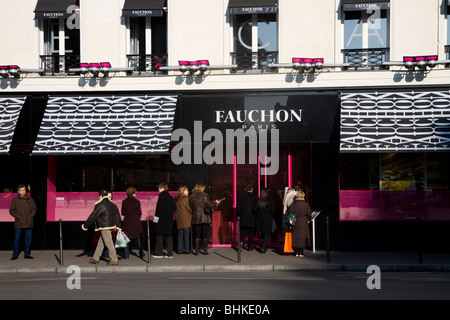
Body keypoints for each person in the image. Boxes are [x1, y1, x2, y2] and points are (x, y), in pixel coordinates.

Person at [82, 189, 122, 265]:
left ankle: (114, 259)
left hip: (104, 226)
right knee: (101, 242)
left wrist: (85, 225)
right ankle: (96, 258)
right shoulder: (113, 204)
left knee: (108, 242)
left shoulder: (100, 205)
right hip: (110, 226)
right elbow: (117, 216)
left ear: (100, 196)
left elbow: (93, 216)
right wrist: (119, 226)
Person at [9, 184, 37, 260]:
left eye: (24, 189)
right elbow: (11, 210)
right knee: (16, 239)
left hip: (29, 222)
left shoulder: (30, 199)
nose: (23, 191)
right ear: (18, 191)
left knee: (28, 239)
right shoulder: (15, 200)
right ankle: (15, 255)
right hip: (19, 223)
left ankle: (27, 254)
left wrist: (31, 216)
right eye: (21, 190)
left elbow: (34, 208)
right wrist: (18, 217)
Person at [189, 183, 218, 255]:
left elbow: (191, 207)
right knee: (205, 235)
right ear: (202, 188)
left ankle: (196, 251)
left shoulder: (192, 197)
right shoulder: (204, 195)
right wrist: (215, 203)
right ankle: (205, 250)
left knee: (197, 235)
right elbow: (210, 204)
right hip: (205, 217)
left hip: (196, 217)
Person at [153, 182, 176, 258]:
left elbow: (158, 209)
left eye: (159, 188)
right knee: (169, 236)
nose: (158, 190)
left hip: (162, 219)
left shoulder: (161, 196)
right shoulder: (170, 197)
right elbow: (174, 208)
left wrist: (155, 219)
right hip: (169, 219)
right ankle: (170, 254)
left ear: (162, 188)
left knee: (159, 236)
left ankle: (159, 253)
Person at [121, 187, 144, 259]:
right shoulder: (137, 202)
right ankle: (141, 253)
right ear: (134, 193)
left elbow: (122, 213)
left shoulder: (124, 202)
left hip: (127, 222)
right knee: (138, 238)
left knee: (126, 239)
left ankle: (126, 255)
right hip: (136, 222)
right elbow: (140, 212)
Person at [288, 189, 312, 257]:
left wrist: (292, 222)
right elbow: (309, 214)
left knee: (296, 236)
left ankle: (297, 252)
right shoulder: (306, 205)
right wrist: (309, 220)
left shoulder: (293, 204)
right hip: (303, 221)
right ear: (303, 196)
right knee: (303, 237)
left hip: (295, 221)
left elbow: (290, 214)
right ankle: (301, 252)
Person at [237, 184, 257, 251]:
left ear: (245, 189)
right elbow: (255, 208)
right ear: (252, 190)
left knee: (243, 232)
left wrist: (240, 214)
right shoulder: (255, 197)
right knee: (251, 233)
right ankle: (250, 247)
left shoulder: (240, 197)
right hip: (251, 217)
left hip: (243, 217)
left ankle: (241, 243)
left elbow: (238, 208)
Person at [254, 188, 274, 253]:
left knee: (263, 233)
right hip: (267, 218)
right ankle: (263, 247)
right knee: (265, 233)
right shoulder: (270, 201)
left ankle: (263, 246)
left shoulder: (258, 201)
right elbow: (273, 210)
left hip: (260, 218)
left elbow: (254, 209)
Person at [175, 185, 193, 254]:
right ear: (183, 191)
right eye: (186, 190)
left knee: (180, 234)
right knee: (186, 235)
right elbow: (189, 208)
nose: (188, 192)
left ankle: (179, 250)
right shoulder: (186, 199)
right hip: (186, 218)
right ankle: (187, 249)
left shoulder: (177, 199)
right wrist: (192, 211)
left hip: (179, 218)